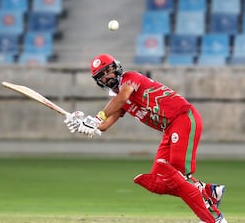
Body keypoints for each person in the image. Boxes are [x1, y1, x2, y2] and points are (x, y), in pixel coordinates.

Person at [63, 54, 227, 223]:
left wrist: (96, 118)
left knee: (177, 172)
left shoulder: (130, 79)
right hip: (169, 129)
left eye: (107, 71)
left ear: (116, 67)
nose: (106, 77)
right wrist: (82, 123)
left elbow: (122, 98)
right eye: (100, 76)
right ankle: (208, 191)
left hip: (183, 118)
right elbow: (104, 126)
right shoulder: (118, 100)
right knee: (159, 180)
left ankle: (213, 218)